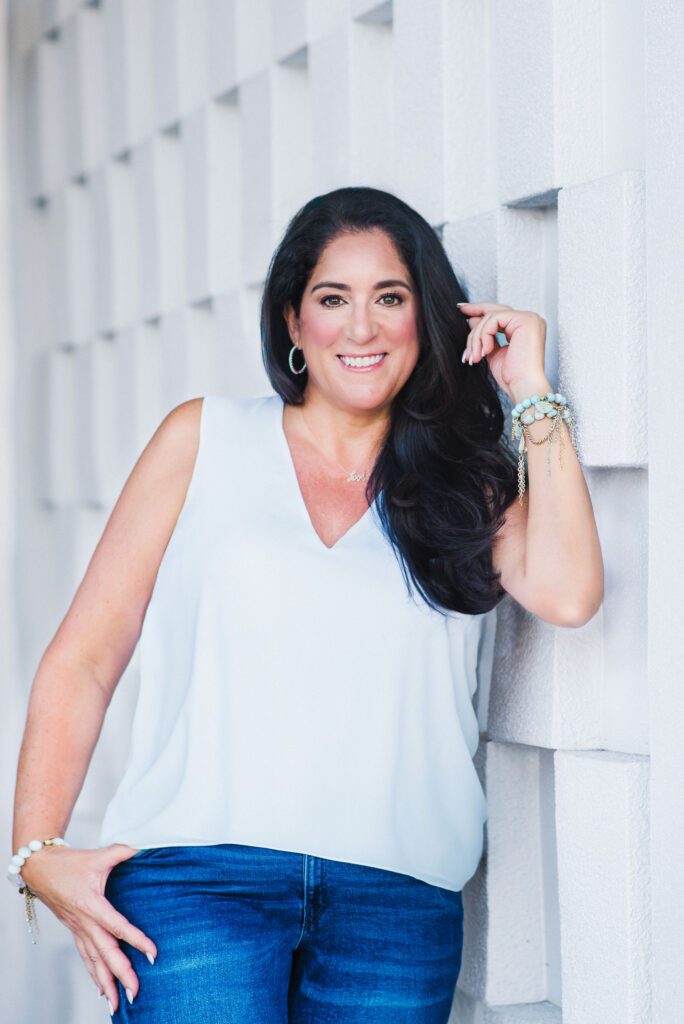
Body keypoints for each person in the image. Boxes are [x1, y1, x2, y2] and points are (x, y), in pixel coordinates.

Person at [9, 186, 604, 1023]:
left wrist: (531, 390)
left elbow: (572, 593)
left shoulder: (464, 481)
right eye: (333, 299)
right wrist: (35, 849)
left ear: (424, 319)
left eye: (389, 299)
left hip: (396, 907)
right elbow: (85, 656)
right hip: (195, 889)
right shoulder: (202, 439)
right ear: (293, 321)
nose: (361, 328)